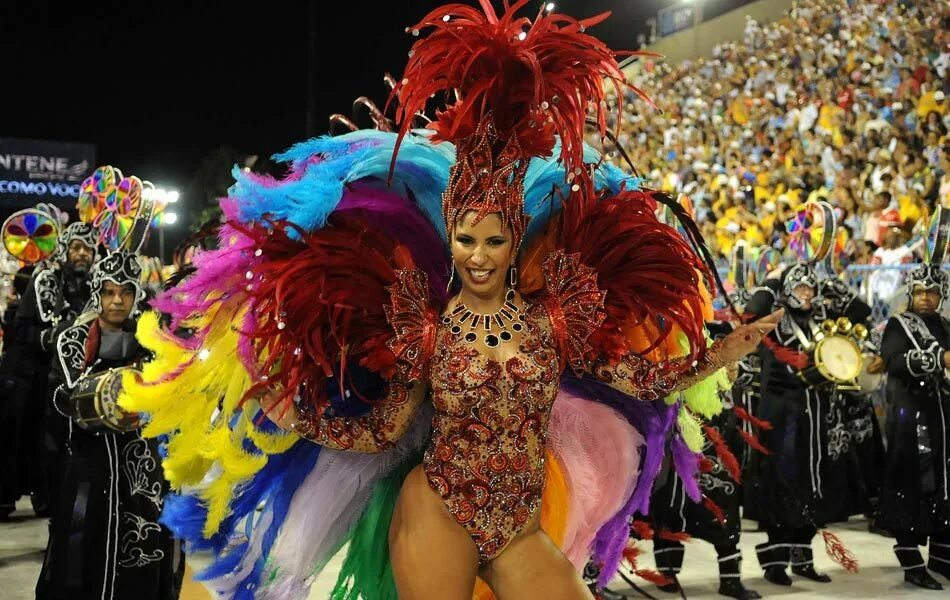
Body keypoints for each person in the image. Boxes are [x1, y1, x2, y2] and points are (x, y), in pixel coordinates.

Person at [120, 4, 781, 599]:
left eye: (495, 239)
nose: (480, 253)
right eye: (467, 239)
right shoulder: (426, 329)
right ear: (455, 240)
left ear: (515, 240)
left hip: (518, 528)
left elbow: (642, 381)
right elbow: (382, 430)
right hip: (438, 512)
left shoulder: (553, 325)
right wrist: (291, 414)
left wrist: (720, 354)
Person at [35, 251, 184, 600]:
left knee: (144, 548)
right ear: (96, 294)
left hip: (139, 466)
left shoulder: (152, 340)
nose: (117, 300)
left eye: (126, 292)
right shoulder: (72, 342)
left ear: (135, 295)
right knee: (82, 545)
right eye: (109, 292)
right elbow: (58, 401)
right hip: (90, 464)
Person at [745, 262, 856, 586]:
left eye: (810, 288)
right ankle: (775, 563)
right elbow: (750, 314)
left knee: (810, 485)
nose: (805, 294)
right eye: (799, 287)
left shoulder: (820, 322)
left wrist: (835, 283)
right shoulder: (775, 321)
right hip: (779, 415)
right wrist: (772, 280)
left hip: (813, 414)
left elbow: (860, 312)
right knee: (780, 484)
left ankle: (802, 559)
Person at [9, 222, 97, 515]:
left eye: (88, 249)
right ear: (65, 251)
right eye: (76, 248)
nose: (82, 254)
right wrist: (50, 338)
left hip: (84, 383)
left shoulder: (99, 285)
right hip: (42, 380)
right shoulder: (45, 281)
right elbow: (19, 330)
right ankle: (45, 498)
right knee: (42, 445)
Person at [877, 263, 950, 590]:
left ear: (941, 295)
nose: (924, 297)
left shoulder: (946, 324)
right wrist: (939, 360)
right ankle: (910, 561)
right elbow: (893, 362)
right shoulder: (898, 324)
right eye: (919, 291)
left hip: (942, 418)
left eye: (931, 292)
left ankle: (943, 558)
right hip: (910, 417)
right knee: (910, 481)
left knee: (943, 482)